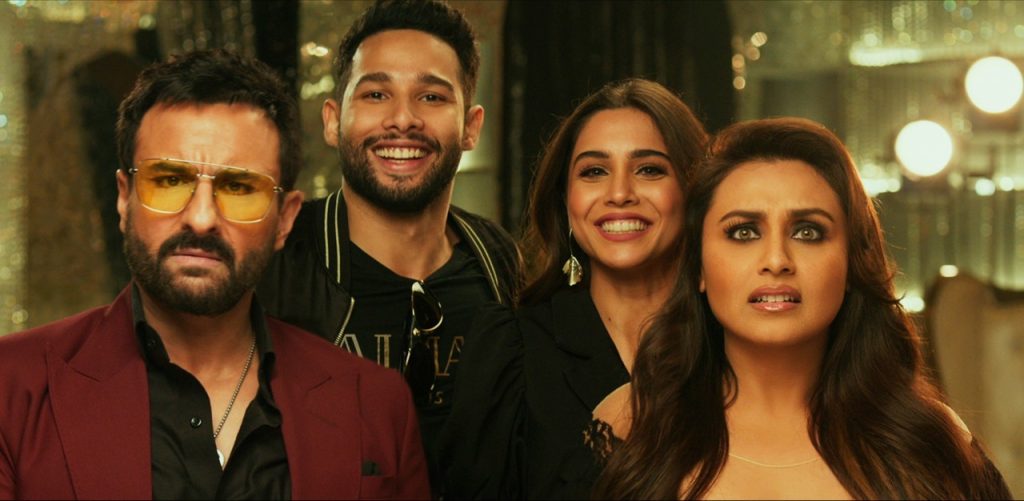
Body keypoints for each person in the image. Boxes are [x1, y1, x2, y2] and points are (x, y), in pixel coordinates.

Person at [0, 49, 429, 500]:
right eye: (169, 181)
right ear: (125, 199)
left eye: (239, 187)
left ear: (285, 219)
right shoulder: (12, 388)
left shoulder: (375, 405)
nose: (201, 218)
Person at [594, 117, 1012, 499]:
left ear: (850, 263)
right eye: (743, 232)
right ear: (698, 267)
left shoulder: (929, 441)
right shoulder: (630, 426)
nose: (776, 260)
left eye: (808, 232)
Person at [256, 0, 522, 491]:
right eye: (376, 94)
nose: (403, 119)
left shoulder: (500, 262)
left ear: (471, 127)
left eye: (432, 97)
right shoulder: (276, 260)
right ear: (333, 120)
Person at [439, 78, 708, 498]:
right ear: (565, 200)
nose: (619, 193)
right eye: (594, 172)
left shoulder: (735, 343)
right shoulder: (512, 349)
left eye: (650, 169)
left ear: (693, 191)